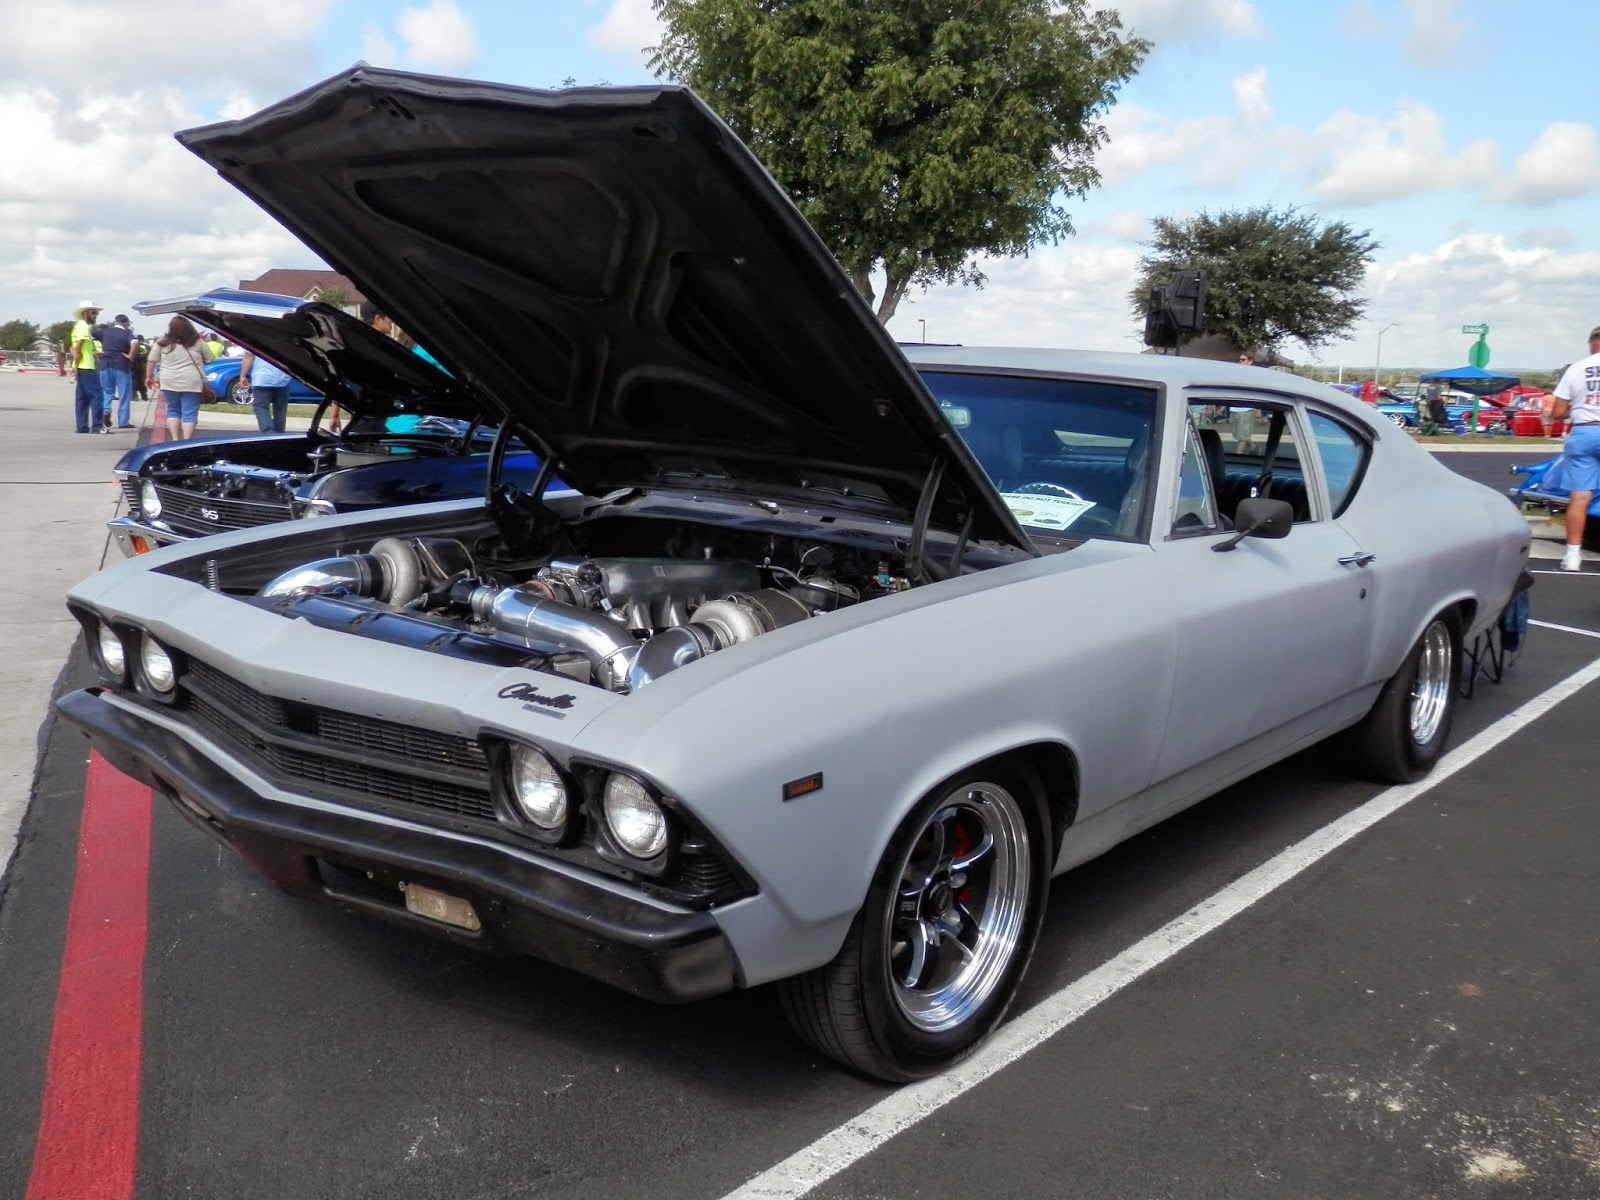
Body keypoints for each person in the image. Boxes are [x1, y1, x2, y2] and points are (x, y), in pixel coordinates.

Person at [1551, 327, 1600, 571]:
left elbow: (1558, 412)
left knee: (1579, 498)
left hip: (1584, 431)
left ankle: (1572, 556)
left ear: (1592, 343)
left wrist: (1579, 409)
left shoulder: (1577, 368)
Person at [147, 315, 213, 441]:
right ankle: (187, 441)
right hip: (192, 381)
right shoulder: (198, 343)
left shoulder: (162, 342)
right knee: (190, 413)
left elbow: (151, 360)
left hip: (169, 380)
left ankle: (175, 440)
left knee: (173, 411)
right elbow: (210, 359)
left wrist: (148, 376)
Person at [97, 314, 137, 430]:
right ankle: (123, 421)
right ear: (125, 323)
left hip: (105, 363)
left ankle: (106, 410)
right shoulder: (127, 333)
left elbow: (88, 338)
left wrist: (95, 352)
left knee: (107, 391)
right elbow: (135, 343)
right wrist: (130, 356)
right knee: (124, 394)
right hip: (121, 364)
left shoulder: (104, 332)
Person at [68, 301, 103, 432]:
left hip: (82, 366)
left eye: (97, 313)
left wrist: (75, 363)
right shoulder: (84, 326)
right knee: (97, 396)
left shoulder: (78, 326)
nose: (96, 315)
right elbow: (79, 344)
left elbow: (72, 346)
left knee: (82, 398)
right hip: (86, 366)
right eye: (93, 313)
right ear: (85, 313)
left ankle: (82, 426)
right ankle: (98, 426)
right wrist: (76, 356)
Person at [240, 349, 293, 433]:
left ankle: (268, 430)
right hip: (282, 378)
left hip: (262, 378)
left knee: (261, 407)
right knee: (280, 409)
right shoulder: (285, 338)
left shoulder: (258, 338)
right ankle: (280, 433)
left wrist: (243, 375)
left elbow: (249, 355)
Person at [130, 336, 151, 408]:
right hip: (143, 364)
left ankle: (134, 395)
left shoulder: (133, 345)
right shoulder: (147, 347)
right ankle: (144, 395)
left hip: (133, 364)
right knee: (142, 380)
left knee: (133, 380)